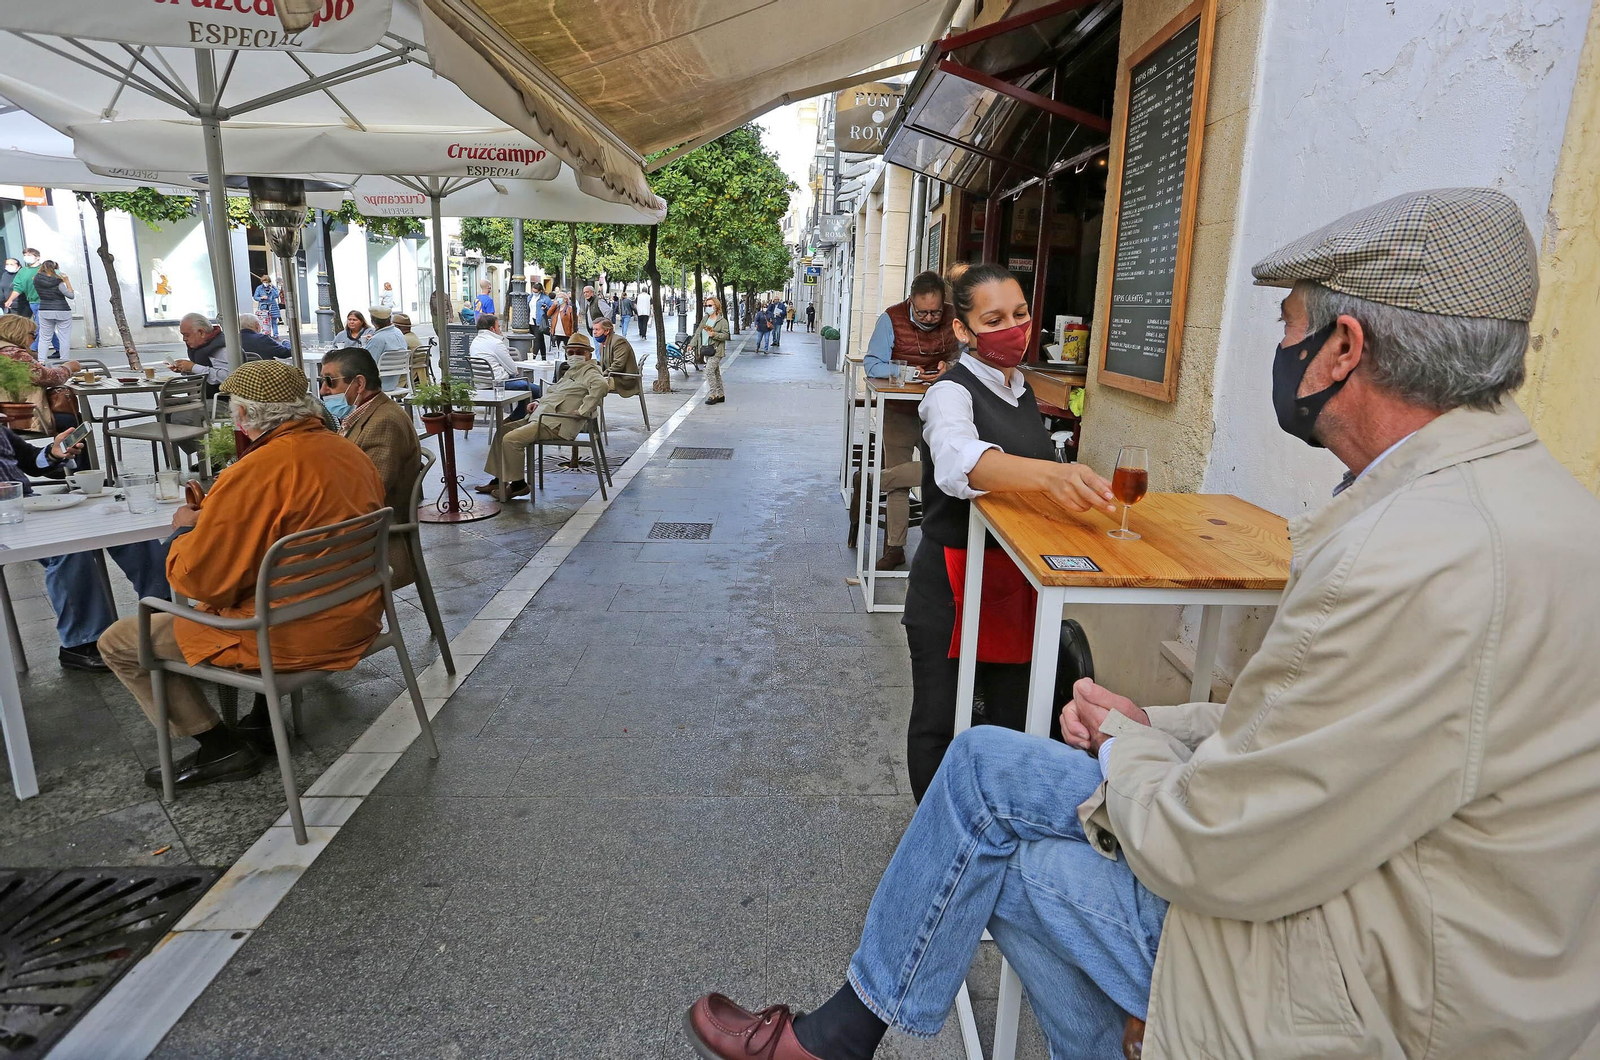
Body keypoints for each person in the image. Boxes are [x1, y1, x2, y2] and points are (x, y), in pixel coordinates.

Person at [685, 189, 1600, 1060]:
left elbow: (1216, 842)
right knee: (973, 763)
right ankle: (851, 1032)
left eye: (1285, 329)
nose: (1277, 353)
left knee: (991, 843)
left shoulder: (1404, 553)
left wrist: (1126, 750)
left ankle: (848, 1035)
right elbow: (1315, 739)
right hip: (1395, 913)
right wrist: (1155, 724)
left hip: (1364, 984)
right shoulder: (1528, 508)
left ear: (1342, 349)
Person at [99, 359, 387, 789]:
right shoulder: (349, 452)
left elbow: (201, 581)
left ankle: (220, 748)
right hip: (355, 616)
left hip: (285, 636)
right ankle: (261, 720)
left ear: (244, 414)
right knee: (257, 587)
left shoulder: (254, 471)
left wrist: (183, 531)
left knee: (120, 641)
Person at [0, 421, 169, 671]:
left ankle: (162, 609)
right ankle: (82, 643)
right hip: (7, 518)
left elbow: (31, 461)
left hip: (26, 506)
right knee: (68, 548)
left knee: (126, 526)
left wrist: (54, 452)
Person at [850, 270, 964, 573]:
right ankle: (895, 548)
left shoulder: (955, 318)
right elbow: (872, 363)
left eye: (936, 311)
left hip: (941, 411)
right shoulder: (891, 318)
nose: (929, 317)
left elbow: (971, 357)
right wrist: (908, 372)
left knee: (941, 473)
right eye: (922, 311)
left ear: (944, 304)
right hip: (899, 410)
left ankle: (872, 482)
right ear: (910, 300)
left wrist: (950, 366)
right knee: (900, 485)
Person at [319, 347, 421, 587]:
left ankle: (344, 621)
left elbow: (369, 494)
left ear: (359, 384)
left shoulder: (384, 421)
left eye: (329, 382)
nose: (323, 390)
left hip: (373, 539)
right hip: (359, 529)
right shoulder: (364, 414)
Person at [476, 332, 608, 499]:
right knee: (502, 430)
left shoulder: (590, 372)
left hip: (555, 424)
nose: (574, 355)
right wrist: (538, 401)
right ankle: (498, 479)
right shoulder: (572, 371)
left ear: (589, 354)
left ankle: (518, 485)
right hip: (542, 417)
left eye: (579, 352)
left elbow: (602, 386)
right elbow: (555, 393)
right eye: (571, 352)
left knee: (511, 439)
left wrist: (583, 411)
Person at [0, 314, 79, 432]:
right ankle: (66, 450)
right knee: (74, 421)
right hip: (17, 416)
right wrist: (68, 367)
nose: (35, 339)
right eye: (33, 334)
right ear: (18, 333)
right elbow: (50, 378)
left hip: (7, 413)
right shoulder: (13, 354)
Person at [469, 313, 539, 417]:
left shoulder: (475, 342)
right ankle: (515, 420)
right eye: (498, 326)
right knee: (536, 389)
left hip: (481, 383)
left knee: (525, 388)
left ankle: (517, 420)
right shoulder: (496, 343)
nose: (499, 329)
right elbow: (513, 370)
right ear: (492, 329)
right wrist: (510, 371)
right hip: (498, 384)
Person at [172, 312, 233, 397]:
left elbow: (227, 377)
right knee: (166, 403)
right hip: (201, 397)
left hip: (218, 401)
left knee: (167, 407)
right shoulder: (204, 345)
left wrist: (193, 367)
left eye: (187, 335)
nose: (184, 339)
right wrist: (186, 369)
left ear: (201, 332)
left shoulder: (221, 349)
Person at [31, 260, 73, 359]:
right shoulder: (59, 282)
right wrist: (67, 281)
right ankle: (64, 360)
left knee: (44, 337)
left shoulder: (36, 279)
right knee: (64, 337)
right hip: (62, 310)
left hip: (45, 309)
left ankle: (41, 360)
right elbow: (71, 295)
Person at [4, 249, 43, 352]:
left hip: (45, 302)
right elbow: (18, 287)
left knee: (41, 326)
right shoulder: (23, 271)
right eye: (25, 255)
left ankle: (33, 349)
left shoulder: (44, 269)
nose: (26, 257)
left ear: (37, 257)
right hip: (33, 302)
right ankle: (58, 347)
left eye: (29, 255)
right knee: (44, 326)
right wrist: (10, 300)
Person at [592, 317, 640, 398]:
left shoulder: (619, 342)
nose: (594, 332)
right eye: (594, 329)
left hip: (624, 379)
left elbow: (618, 365)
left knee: (594, 385)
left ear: (607, 331)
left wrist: (601, 375)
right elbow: (603, 364)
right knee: (585, 381)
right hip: (613, 376)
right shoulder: (603, 344)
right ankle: (588, 409)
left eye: (597, 330)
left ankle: (588, 409)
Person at [363, 306, 408, 389]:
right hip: (394, 383)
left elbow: (367, 363)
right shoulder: (398, 332)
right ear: (389, 319)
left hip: (377, 384)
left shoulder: (377, 339)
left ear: (373, 322)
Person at [699, 295, 730, 406]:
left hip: (717, 350)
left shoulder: (722, 321)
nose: (707, 307)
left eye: (710, 305)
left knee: (709, 370)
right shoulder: (705, 319)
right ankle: (721, 394)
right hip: (707, 349)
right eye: (706, 305)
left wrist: (714, 334)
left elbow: (726, 335)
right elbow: (700, 333)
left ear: (716, 306)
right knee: (716, 372)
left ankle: (713, 395)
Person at [252, 274, 282, 338]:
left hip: (273, 306)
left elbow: (276, 295)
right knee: (264, 321)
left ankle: (276, 335)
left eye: (267, 282)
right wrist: (261, 298)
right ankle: (266, 334)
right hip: (263, 307)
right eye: (265, 282)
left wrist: (272, 288)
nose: (266, 283)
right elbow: (255, 297)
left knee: (274, 321)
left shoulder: (273, 287)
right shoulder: (259, 288)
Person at [532, 284, 554, 358]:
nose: (534, 293)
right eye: (533, 291)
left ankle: (533, 357)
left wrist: (546, 308)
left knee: (537, 339)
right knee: (540, 339)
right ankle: (543, 357)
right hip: (531, 321)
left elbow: (552, 308)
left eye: (535, 291)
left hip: (540, 321)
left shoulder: (545, 298)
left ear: (540, 291)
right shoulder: (530, 297)